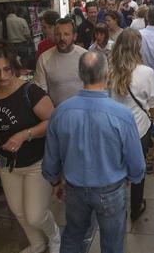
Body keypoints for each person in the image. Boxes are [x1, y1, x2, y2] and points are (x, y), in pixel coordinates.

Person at [42, 51, 145, 253]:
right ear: (107, 73)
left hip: (74, 189)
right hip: (111, 189)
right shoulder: (122, 115)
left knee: (73, 235)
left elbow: (51, 156)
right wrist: (133, 177)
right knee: (113, 242)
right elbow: (136, 162)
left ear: (80, 75)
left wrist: (54, 181)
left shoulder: (61, 112)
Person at [0, 42, 61, 253]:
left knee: (35, 214)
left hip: (37, 162)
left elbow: (53, 121)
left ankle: (54, 235)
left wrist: (25, 134)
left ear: (14, 67)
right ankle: (37, 244)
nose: (2, 76)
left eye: (7, 69)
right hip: (8, 166)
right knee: (19, 212)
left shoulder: (30, 92)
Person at [108, 29, 154, 222]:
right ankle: (136, 208)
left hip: (113, 128)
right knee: (138, 169)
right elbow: (152, 101)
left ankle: (116, 206)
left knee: (116, 168)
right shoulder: (146, 72)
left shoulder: (110, 69)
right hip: (138, 129)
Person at [34, 18, 88, 106]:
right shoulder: (44, 59)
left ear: (74, 36)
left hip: (82, 112)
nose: (62, 38)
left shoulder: (85, 56)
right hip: (56, 113)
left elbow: (94, 87)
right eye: (58, 34)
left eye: (66, 34)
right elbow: (40, 93)